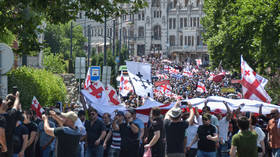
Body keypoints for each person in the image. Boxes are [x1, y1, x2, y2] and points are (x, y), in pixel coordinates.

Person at [4, 92, 22, 157]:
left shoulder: (2, 114)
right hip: (8, 143)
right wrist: (17, 97)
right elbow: (22, 119)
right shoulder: (11, 114)